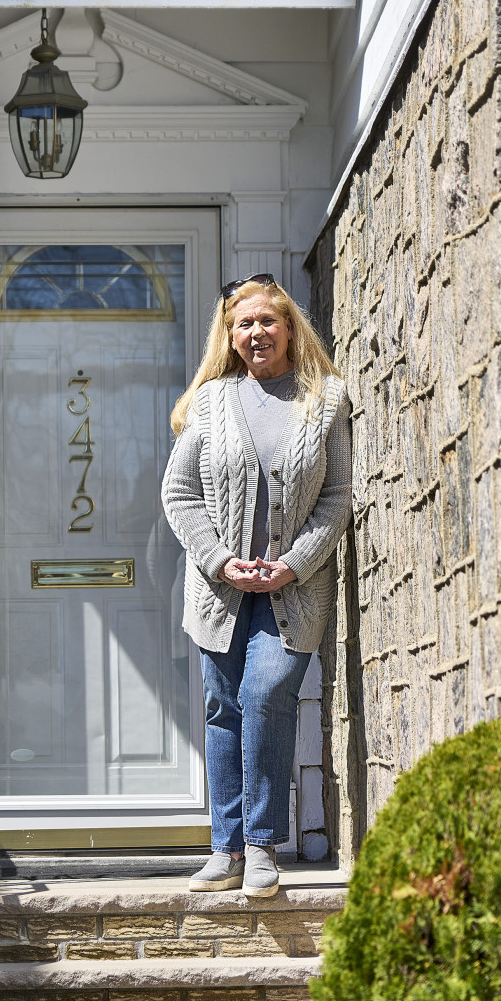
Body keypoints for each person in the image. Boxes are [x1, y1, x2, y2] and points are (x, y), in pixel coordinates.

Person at [161, 273, 352, 897]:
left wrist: (295, 562)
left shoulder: (326, 400)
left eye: (267, 321)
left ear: (289, 327)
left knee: (267, 694)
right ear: (231, 335)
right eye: (244, 324)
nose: (256, 333)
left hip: (294, 590)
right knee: (224, 708)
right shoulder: (211, 403)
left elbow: (336, 497)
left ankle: (261, 843)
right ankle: (226, 849)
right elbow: (179, 494)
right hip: (219, 592)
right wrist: (219, 560)